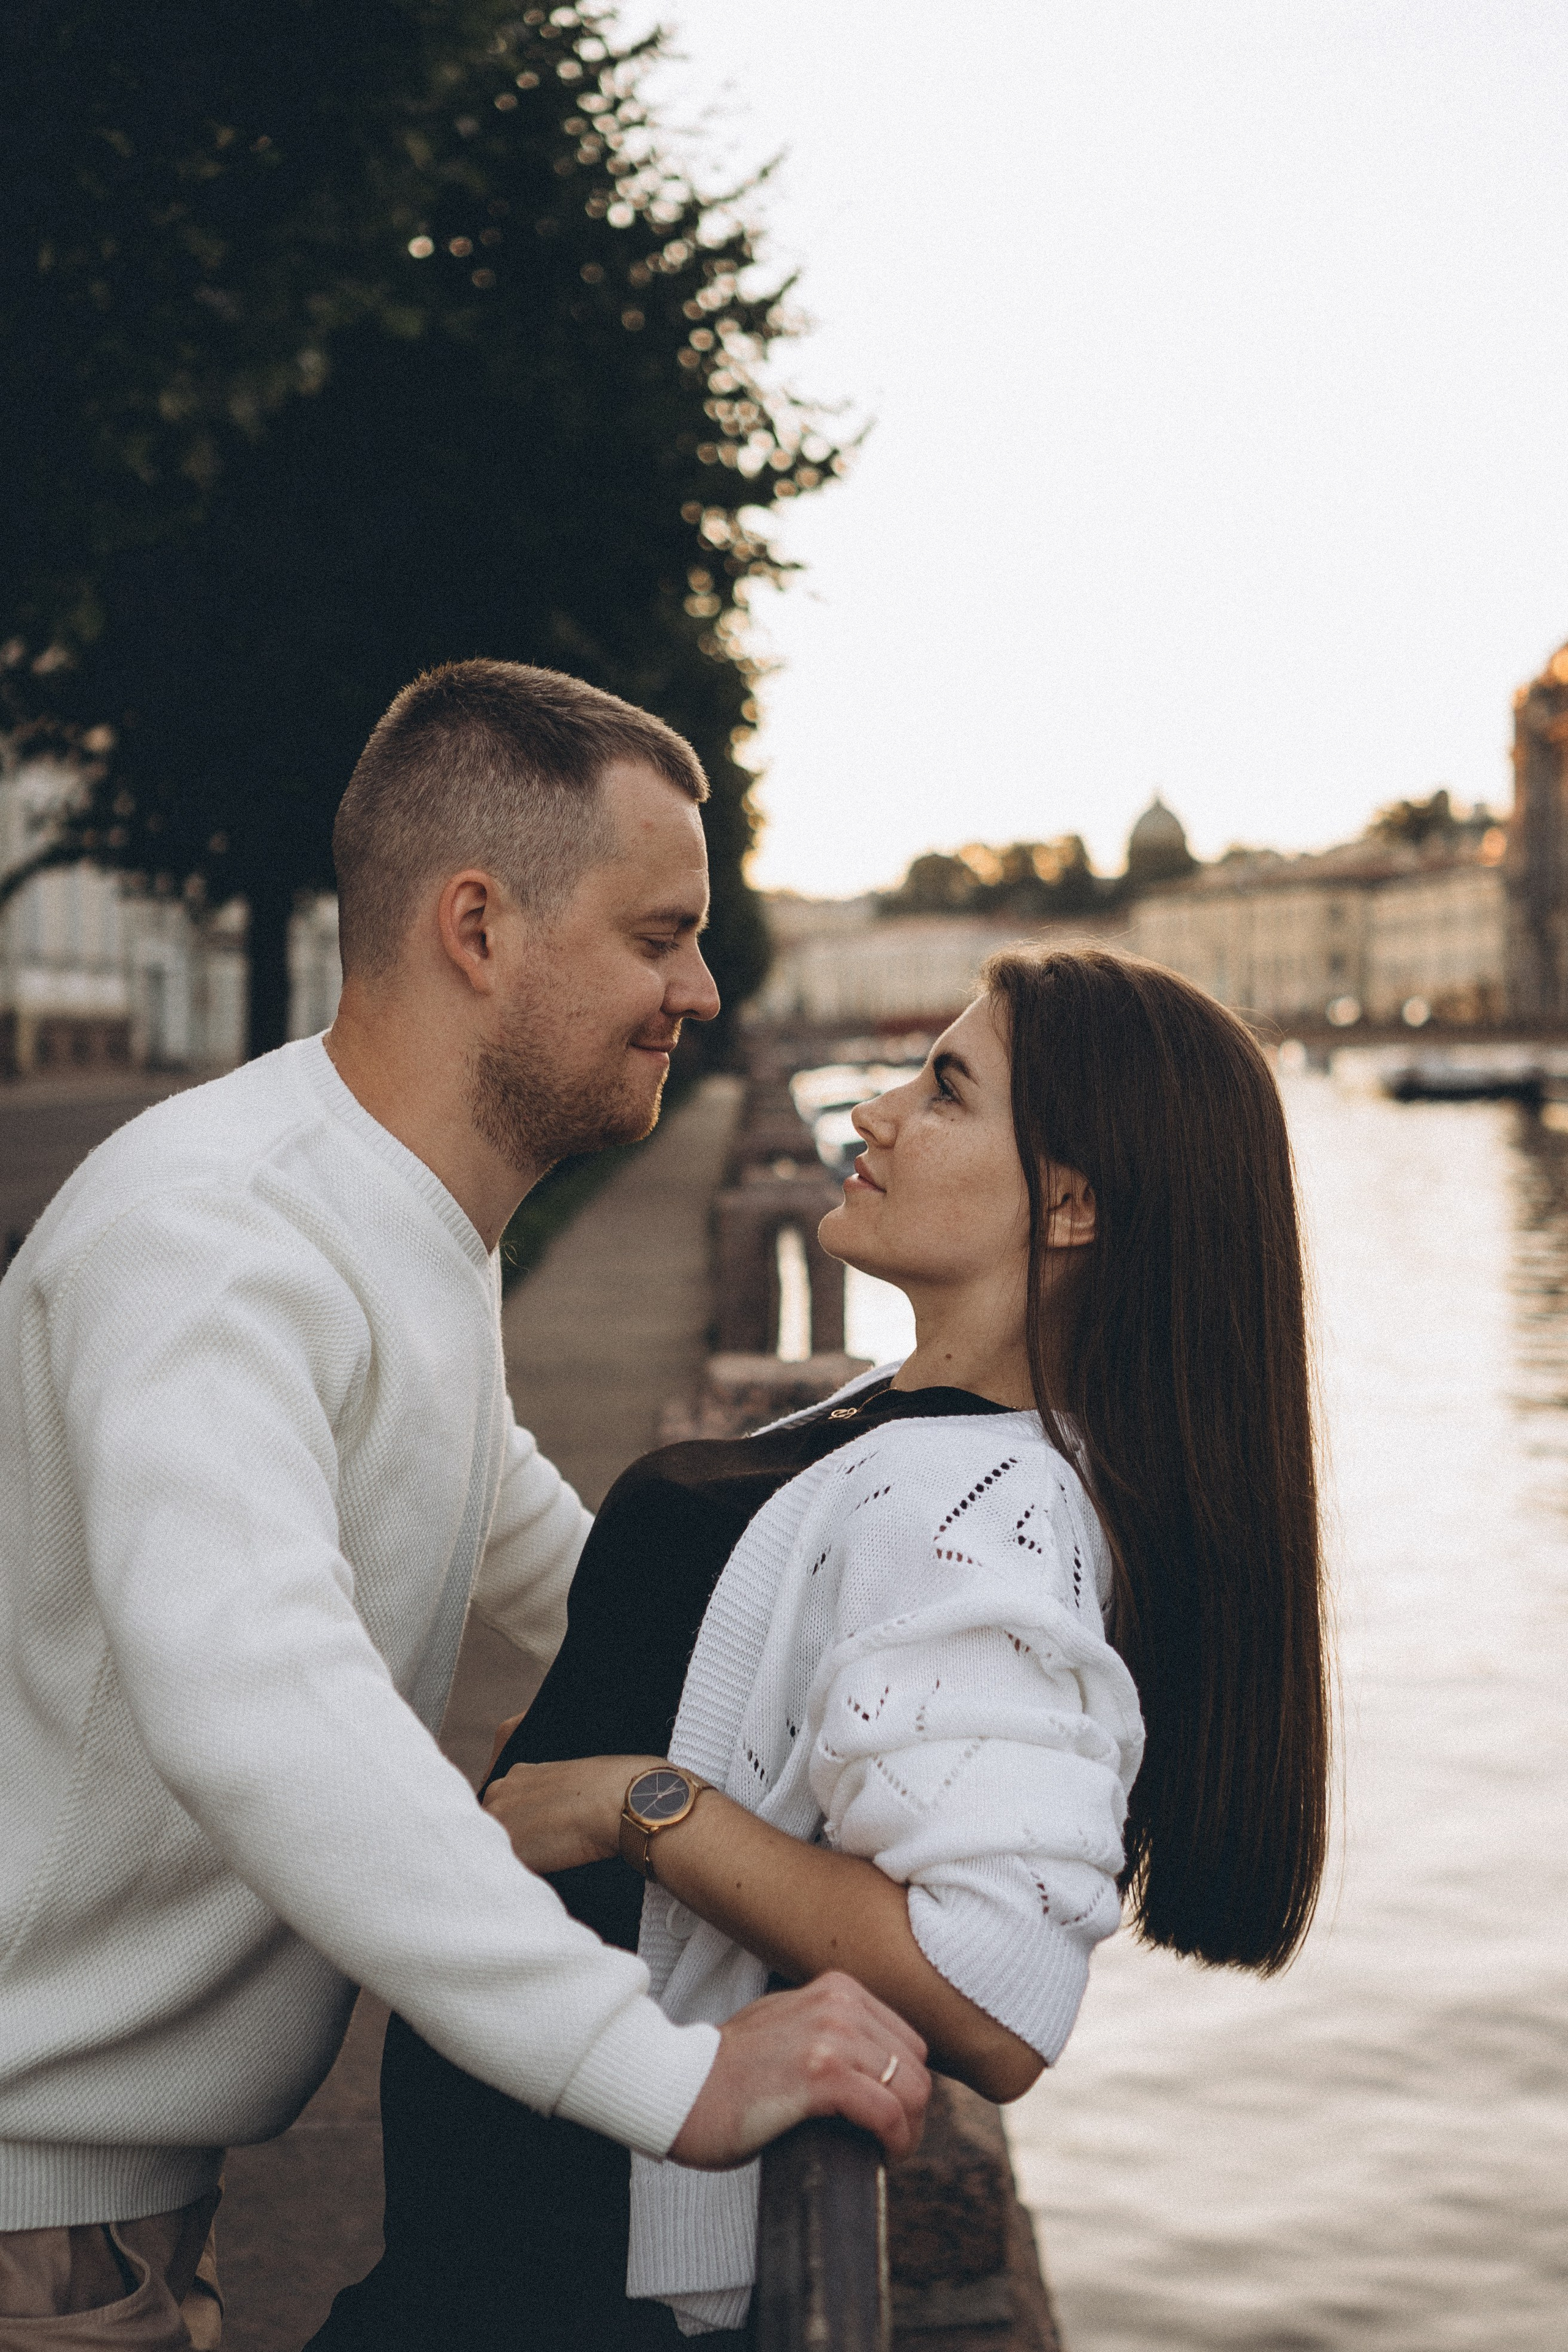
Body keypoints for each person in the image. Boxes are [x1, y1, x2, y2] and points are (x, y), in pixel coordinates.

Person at [0, 661, 929, 2350]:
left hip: (114, 2189)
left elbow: (536, 1546)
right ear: (480, 929)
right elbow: (259, 1701)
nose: (707, 992)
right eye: (660, 936)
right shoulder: (217, 1236)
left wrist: (830, 1763)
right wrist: (662, 2074)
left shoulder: (403, 1230)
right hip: (34, 2205)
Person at [314, 946, 1331, 2350]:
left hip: (576, 2275)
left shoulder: (989, 1507)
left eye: (948, 1091)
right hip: (514, 2218)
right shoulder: (910, 1422)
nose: (874, 1112)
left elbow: (996, 1990)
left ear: (1073, 1203)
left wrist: (632, 1801)